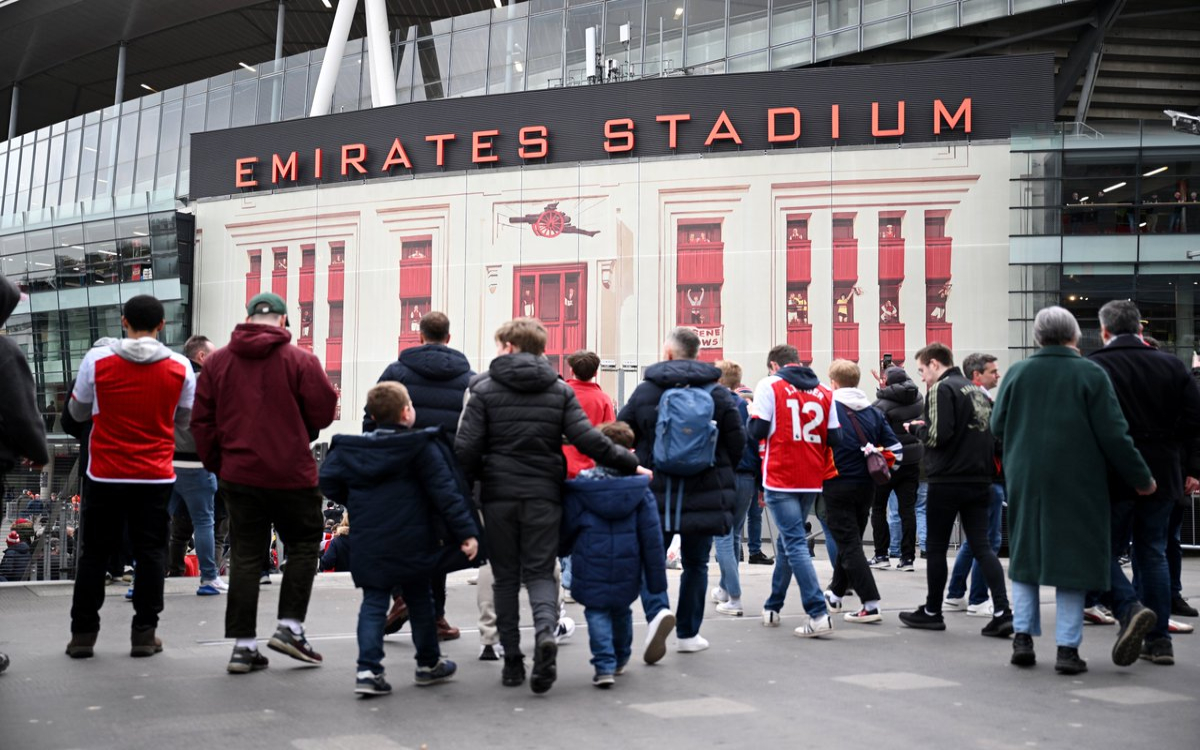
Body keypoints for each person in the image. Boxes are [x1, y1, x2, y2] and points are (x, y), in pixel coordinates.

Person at [455, 317, 645, 694]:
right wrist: (629, 462)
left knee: (506, 578)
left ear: (509, 346)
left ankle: (512, 660)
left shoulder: (483, 389)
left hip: (498, 496)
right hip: (544, 493)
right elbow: (587, 439)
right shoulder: (557, 390)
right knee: (541, 573)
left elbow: (465, 449)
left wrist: (473, 486)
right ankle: (545, 632)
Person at [992, 306, 1156, 674]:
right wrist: (1141, 478)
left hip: (1027, 479)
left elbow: (996, 424)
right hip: (1079, 482)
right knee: (1073, 563)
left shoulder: (1018, 372)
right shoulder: (1090, 373)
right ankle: (1067, 650)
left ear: (1037, 336)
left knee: (1025, 559)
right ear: (1075, 336)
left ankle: (1022, 639)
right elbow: (1115, 435)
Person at [191, 292, 338, 675]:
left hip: (239, 473)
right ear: (285, 322)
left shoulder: (219, 362)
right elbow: (324, 410)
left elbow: (202, 422)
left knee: (246, 554)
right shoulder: (301, 360)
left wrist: (219, 464)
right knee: (304, 544)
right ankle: (290, 627)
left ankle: (243, 646)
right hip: (291, 472)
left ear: (247, 319)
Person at [320, 382, 479, 696]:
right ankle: (428, 664)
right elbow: (446, 493)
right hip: (413, 537)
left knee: (373, 603)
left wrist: (356, 500)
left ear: (374, 416)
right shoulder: (422, 446)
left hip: (370, 538)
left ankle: (368, 670)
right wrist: (466, 532)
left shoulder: (352, 449)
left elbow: (328, 480)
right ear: (407, 412)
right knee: (420, 601)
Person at [65, 295, 196, 659]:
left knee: (94, 554)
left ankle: (83, 635)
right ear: (162, 325)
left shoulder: (97, 359)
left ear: (124, 322)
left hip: (104, 472)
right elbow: (183, 421)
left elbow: (77, 410)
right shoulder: (180, 366)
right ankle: (144, 633)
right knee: (151, 553)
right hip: (154, 474)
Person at [617, 327, 743, 658]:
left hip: (655, 491)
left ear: (669, 354)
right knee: (697, 563)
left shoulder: (646, 392)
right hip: (704, 492)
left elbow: (620, 433)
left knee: (650, 558)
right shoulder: (717, 394)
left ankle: (658, 610)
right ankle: (688, 634)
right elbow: (738, 443)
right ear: (696, 354)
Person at [1089, 300, 1200, 667]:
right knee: (1152, 551)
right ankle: (1159, 641)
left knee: (1102, 551)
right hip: (1163, 468)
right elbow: (1193, 420)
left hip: (1112, 471)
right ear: (1139, 328)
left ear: (1105, 331)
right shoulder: (1172, 366)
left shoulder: (1096, 366)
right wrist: (1168, 443)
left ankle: (1129, 607)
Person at [368, 311, 475, 642]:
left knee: (401, 535)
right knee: (439, 540)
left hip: (402, 468)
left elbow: (373, 414)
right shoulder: (468, 377)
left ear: (419, 335)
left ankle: (402, 597)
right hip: (448, 470)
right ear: (449, 338)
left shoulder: (396, 372)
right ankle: (436, 616)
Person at [898, 343, 1013, 638]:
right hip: (980, 479)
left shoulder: (941, 389)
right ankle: (1002, 610)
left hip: (947, 479)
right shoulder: (978, 391)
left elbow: (938, 436)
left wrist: (916, 429)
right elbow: (994, 438)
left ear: (935, 364)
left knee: (936, 548)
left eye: (923, 370)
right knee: (982, 545)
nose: (923, 378)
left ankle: (933, 611)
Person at [562, 421, 667, 688]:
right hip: (627, 563)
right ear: (630, 452)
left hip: (589, 561)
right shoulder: (639, 490)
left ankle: (604, 664)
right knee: (621, 610)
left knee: (596, 612)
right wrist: (655, 577)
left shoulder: (581, 489)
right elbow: (652, 537)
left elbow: (568, 526)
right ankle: (621, 657)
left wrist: (561, 551)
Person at [748, 345, 836, 638]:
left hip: (781, 473)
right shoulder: (824, 390)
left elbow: (758, 431)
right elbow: (836, 435)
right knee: (788, 543)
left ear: (774, 365)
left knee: (794, 542)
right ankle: (773, 605)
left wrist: (751, 417)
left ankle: (817, 611)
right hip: (812, 474)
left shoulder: (770, 385)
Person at [822, 359, 902, 624]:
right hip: (866, 485)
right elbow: (897, 451)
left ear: (833, 382)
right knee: (851, 539)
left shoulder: (829, 409)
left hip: (836, 483)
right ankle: (835, 593)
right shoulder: (873, 411)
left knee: (849, 543)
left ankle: (871, 603)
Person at [944, 353, 1005, 616]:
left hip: (974, 478)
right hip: (988, 478)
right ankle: (978, 598)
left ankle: (956, 593)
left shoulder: (966, 400)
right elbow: (993, 442)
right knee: (988, 541)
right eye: (993, 371)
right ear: (977, 375)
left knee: (976, 540)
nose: (997, 375)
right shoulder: (982, 403)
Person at [169, 334, 226, 597]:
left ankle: (143, 578)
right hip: (198, 463)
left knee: (158, 523)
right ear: (202, 356)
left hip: (166, 462)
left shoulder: (172, 378)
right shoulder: (209, 383)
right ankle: (208, 578)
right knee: (206, 522)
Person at [710, 360, 754, 616]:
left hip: (724, 474)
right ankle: (724, 589)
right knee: (735, 533)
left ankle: (734, 597)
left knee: (724, 536)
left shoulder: (714, 403)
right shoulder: (747, 406)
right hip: (747, 476)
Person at [868, 366, 923, 571]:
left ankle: (881, 555)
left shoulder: (880, 405)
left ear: (886, 382)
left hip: (888, 462)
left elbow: (873, 431)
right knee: (907, 510)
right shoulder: (919, 398)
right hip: (912, 462)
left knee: (879, 508)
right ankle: (907, 558)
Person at [563, 350, 616, 479]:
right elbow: (611, 434)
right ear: (596, 373)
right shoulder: (603, 400)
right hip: (591, 468)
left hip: (561, 464)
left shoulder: (560, 394)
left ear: (572, 371)